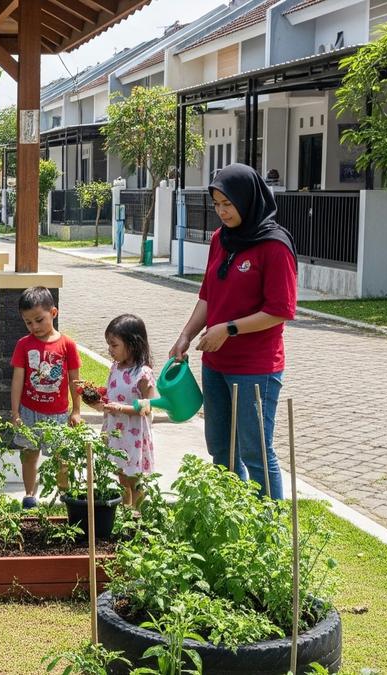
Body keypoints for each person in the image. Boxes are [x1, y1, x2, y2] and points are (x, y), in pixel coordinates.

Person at [169, 163, 297, 499]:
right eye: (217, 205)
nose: (222, 212)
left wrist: (229, 329)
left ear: (248, 199)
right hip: (215, 364)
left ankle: (268, 530)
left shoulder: (274, 246)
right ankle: (233, 518)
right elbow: (209, 295)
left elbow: (279, 311)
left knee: (255, 452)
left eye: (228, 204)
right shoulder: (220, 240)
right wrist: (185, 335)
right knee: (220, 449)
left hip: (255, 368)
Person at [10, 286, 82, 508]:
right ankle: (30, 496)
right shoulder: (23, 344)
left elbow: (74, 380)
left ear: (53, 313)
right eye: (28, 322)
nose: (34, 327)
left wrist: (76, 410)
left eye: (39, 320)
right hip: (29, 411)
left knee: (62, 457)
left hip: (58, 414)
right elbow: (17, 380)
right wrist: (15, 413)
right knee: (30, 454)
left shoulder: (67, 344)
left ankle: (64, 496)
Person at [86, 314, 156, 508]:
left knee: (135, 478)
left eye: (114, 345)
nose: (110, 350)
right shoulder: (115, 368)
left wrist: (122, 408)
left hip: (134, 436)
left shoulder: (143, 373)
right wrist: (98, 402)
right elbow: (110, 397)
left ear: (132, 345)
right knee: (122, 476)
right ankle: (126, 513)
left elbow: (149, 406)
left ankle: (138, 516)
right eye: (109, 345)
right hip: (117, 432)